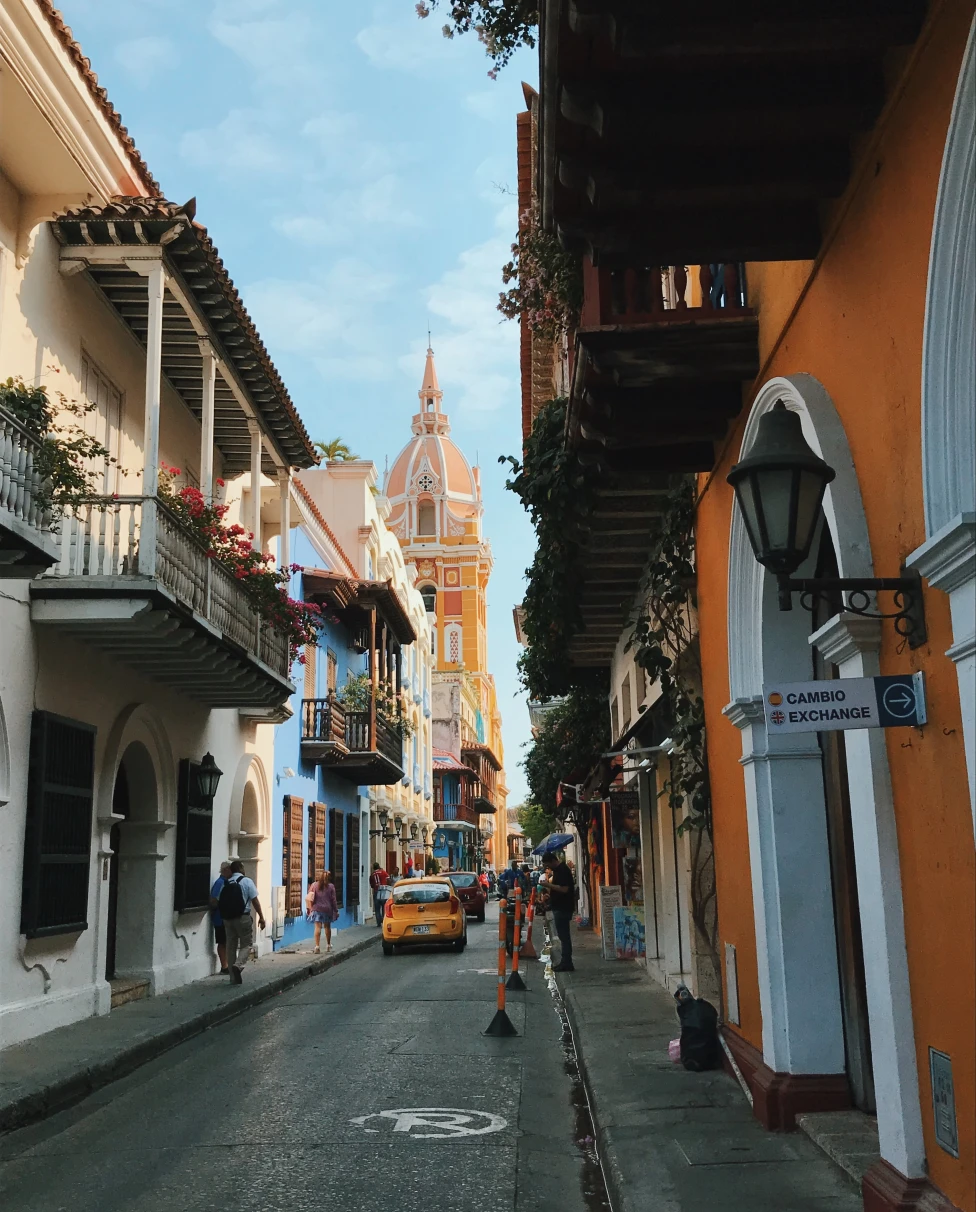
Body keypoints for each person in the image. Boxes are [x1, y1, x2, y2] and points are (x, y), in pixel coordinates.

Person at [218, 860, 266, 984]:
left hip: (228, 919)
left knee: (231, 946)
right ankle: (238, 965)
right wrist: (261, 917)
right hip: (243, 917)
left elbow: (220, 901)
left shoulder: (226, 883)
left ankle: (232, 979)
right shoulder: (247, 881)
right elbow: (255, 900)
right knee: (247, 944)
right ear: (240, 869)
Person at [543, 851, 576, 972]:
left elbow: (564, 889)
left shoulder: (563, 870)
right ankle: (565, 961)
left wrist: (549, 885)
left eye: (548, 864)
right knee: (563, 936)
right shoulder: (557, 871)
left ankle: (567, 962)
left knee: (564, 936)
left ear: (552, 861)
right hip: (559, 907)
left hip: (563, 908)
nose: (548, 868)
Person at [306, 869, 339, 953]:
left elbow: (309, 897)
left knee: (317, 927)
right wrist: (336, 910)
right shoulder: (331, 887)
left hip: (316, 909)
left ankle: (317, 946)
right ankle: (328, 945)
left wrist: (309, 908)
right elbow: (333, 900)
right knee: (327, 927)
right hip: (327, 909)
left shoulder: (314, 885)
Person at [208, 860, 232, 974]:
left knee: (226, 941)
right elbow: (213, 900)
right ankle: (224, 966)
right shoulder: (220, 883)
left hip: (224, 917)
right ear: (225, 870)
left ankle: (227, 964)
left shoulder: (226, 882)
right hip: (220, 918)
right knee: (222, 942)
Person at [369, 862, 389, 927]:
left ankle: (378, 922)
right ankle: (384, 921)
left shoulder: (372, 875)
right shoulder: (383, 872)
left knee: (377, 908)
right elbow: (388, 879)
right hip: (384, 891)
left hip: (376, 891)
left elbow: (371, 885)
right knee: (384, 907)